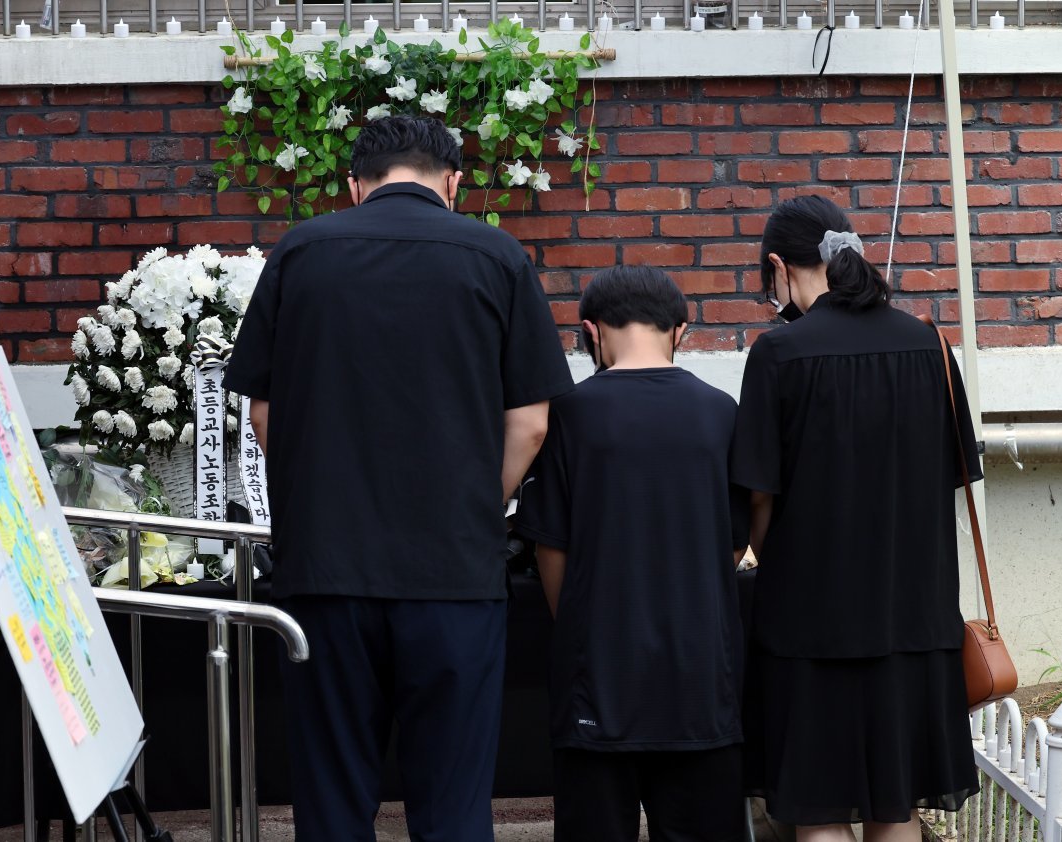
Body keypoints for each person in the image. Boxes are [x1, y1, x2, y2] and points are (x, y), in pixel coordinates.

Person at [223, 115, 575, 841]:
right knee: (451, 804)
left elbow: (262, 413)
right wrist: (480, 505)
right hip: (452, 571)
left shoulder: (300, 252)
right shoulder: (497, 256)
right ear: (452, 183)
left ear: (355, 186)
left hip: (325, 571)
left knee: (331, 799)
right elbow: (532, 422)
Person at [731, 195, 982, 840]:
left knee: (816, 813)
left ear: (781, 266)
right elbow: (954, 477)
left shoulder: (778, 354)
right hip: (913, 617)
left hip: (809, 626)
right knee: (893, 808)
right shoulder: (929, 344)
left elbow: (757, 497)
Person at [513, 265, 749, 842]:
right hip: (700, 679)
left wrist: (577, 627)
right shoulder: (721, 412)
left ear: (591, 332)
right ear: (682, 329)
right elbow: (734, 540)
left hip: (597, 677)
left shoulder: (566, 415)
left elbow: (551, 548)